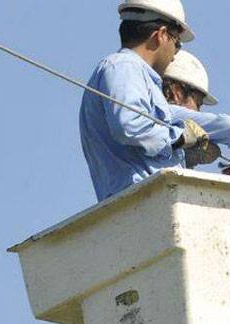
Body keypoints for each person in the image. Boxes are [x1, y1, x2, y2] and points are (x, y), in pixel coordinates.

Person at [79, 0, 217, 202]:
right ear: (161, 35)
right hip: (140, 200)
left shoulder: (134, 75)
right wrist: (178, 137)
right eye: (177, 43)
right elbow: (129, 127)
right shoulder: (124, 68)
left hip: (144, 199)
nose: (174, 55)